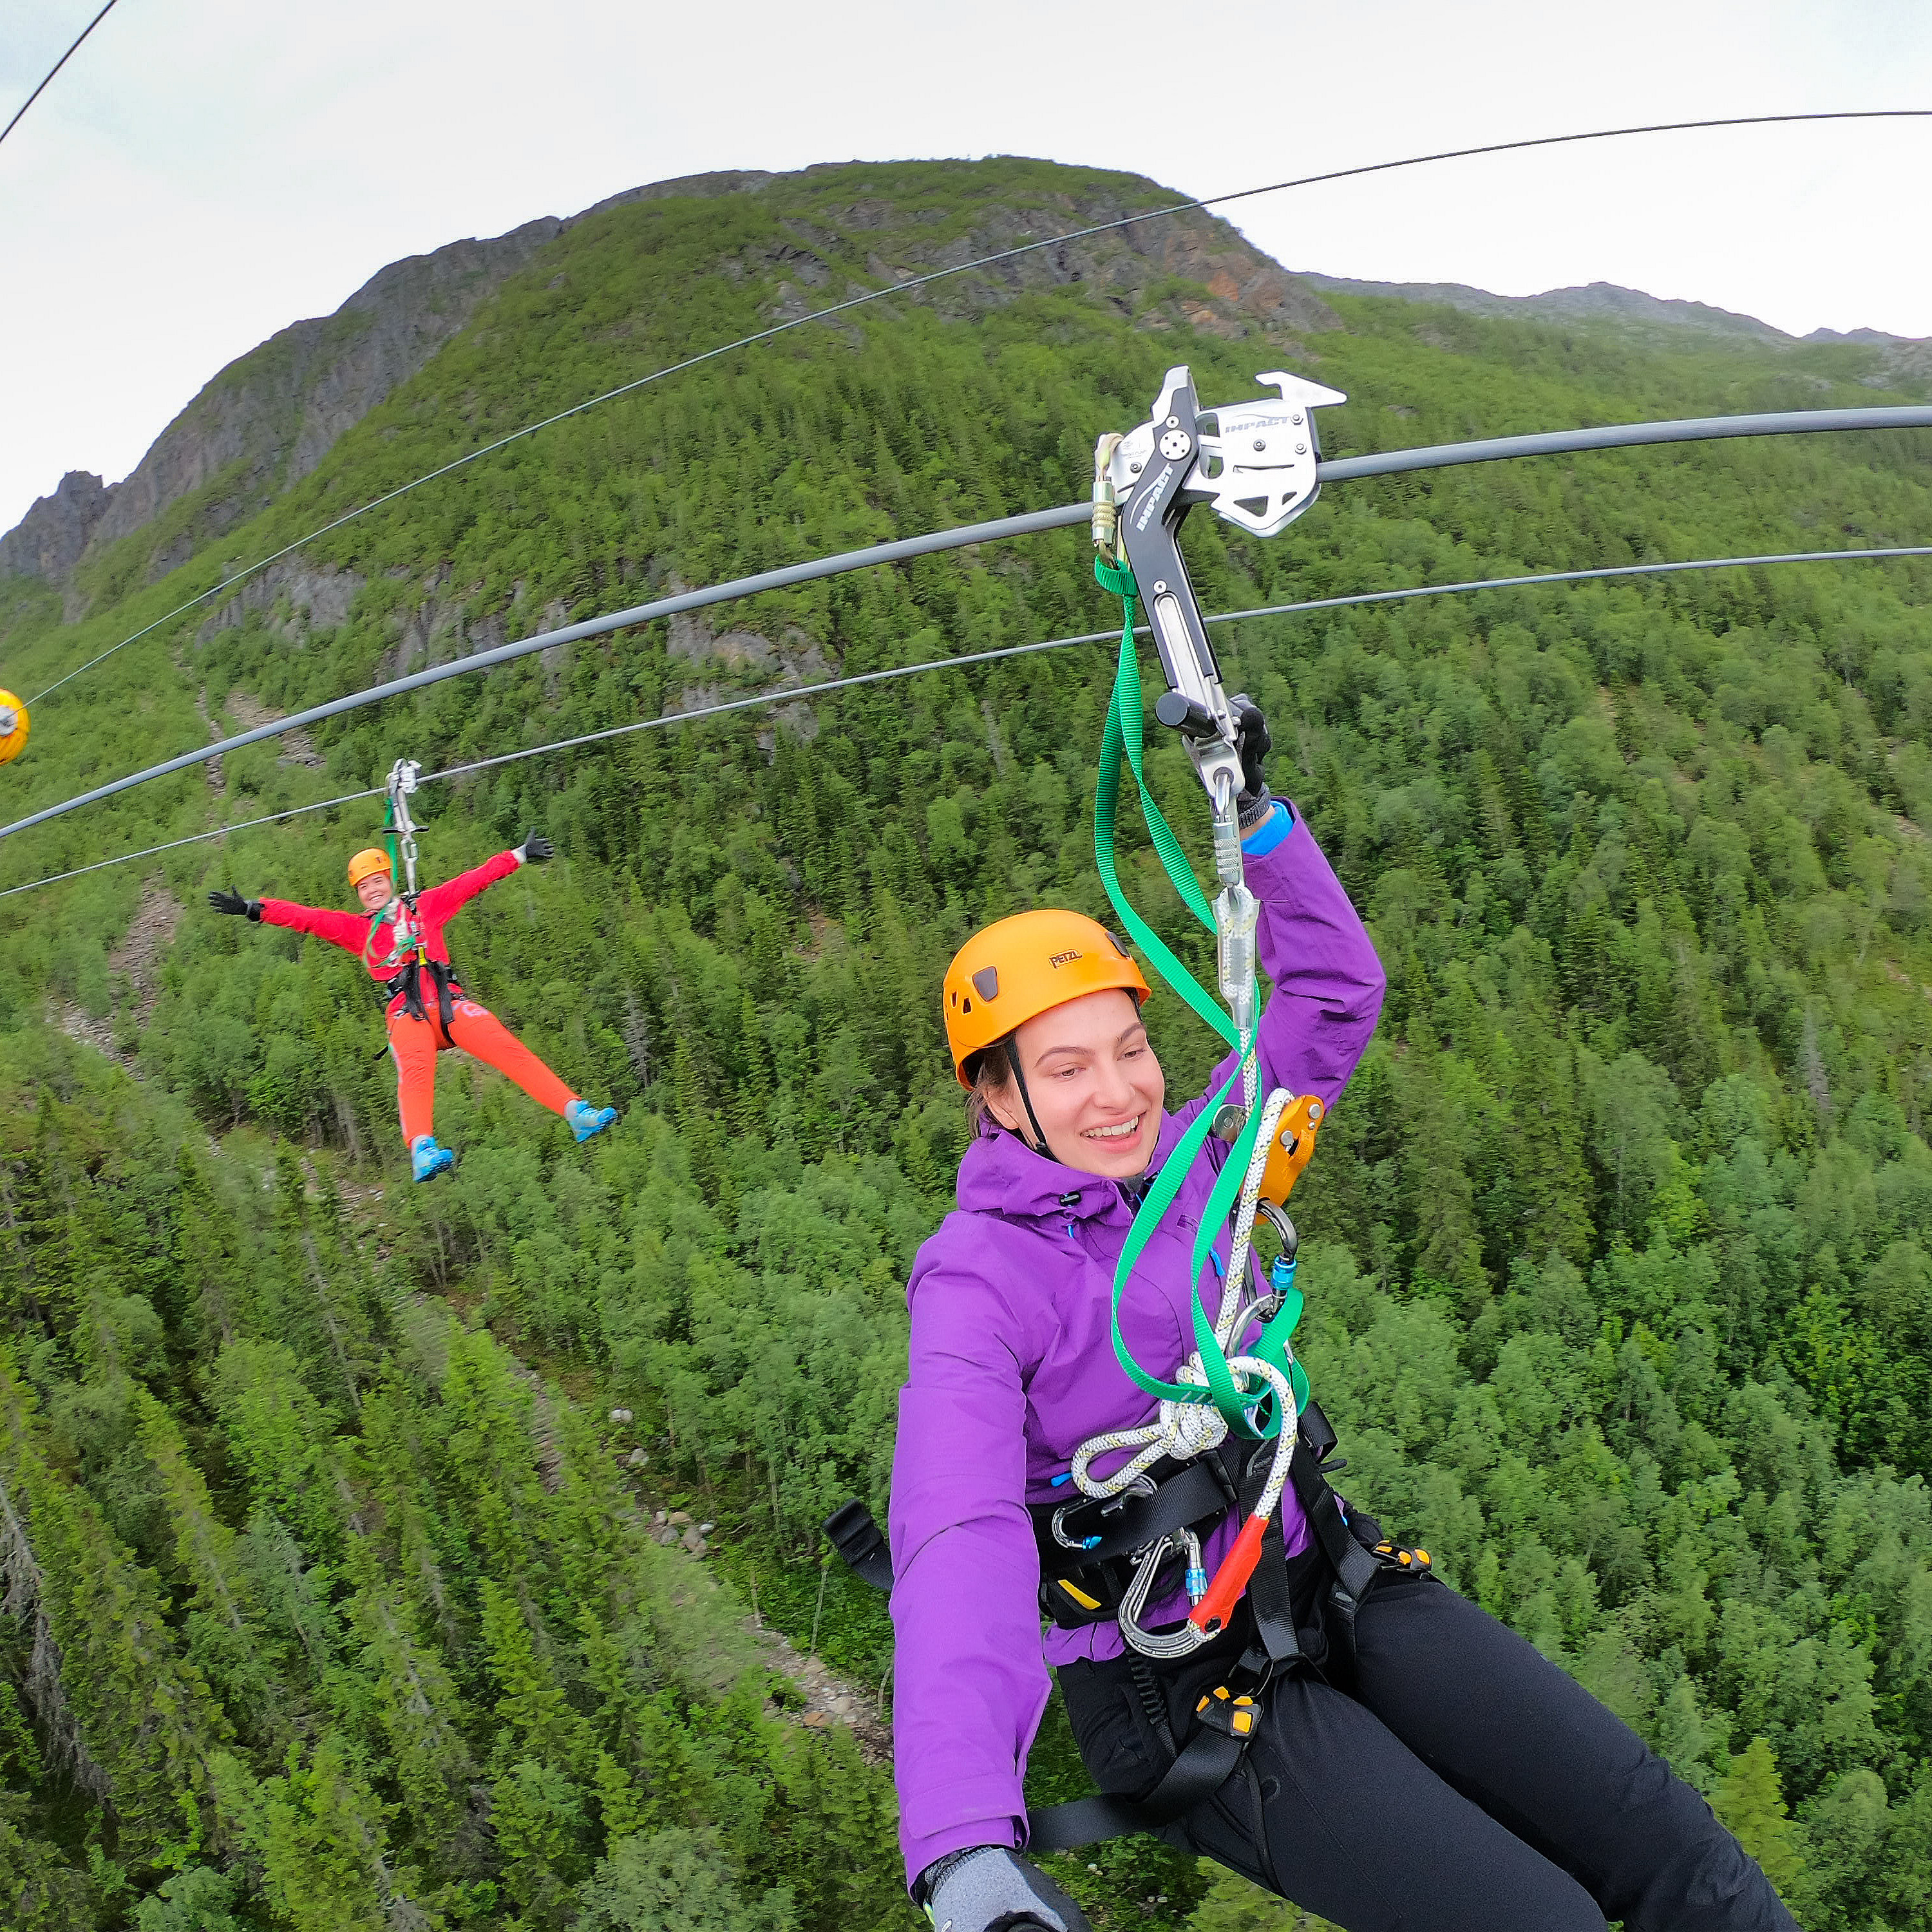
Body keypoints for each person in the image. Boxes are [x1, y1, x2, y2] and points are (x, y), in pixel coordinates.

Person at [889, 721, 1796, 1932]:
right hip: (1179, 1682)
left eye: (1130, 1047)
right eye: (1065, 1070)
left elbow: (1329, 991)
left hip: (1329, 1571)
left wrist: (1255, 816)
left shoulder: (1205, 1156)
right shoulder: (976, 1283)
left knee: (1680, 1853)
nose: (1118, 1093)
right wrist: (962, 1845)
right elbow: (958, 1533)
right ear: (996, 1099)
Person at [208, 834, 616, 1179]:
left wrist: (519, 856)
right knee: (416, 1073)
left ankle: (575, 1112)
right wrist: (255, 910)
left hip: (450, 1006)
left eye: (378, 881)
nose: (372, 889)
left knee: (510, 1050)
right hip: (410, 1014)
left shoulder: (427, 908)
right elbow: (310, 919)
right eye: (364, 887)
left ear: (389, 881)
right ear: (359, 895)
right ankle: (422, 1148)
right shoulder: (359, 930)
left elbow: (472, 882)